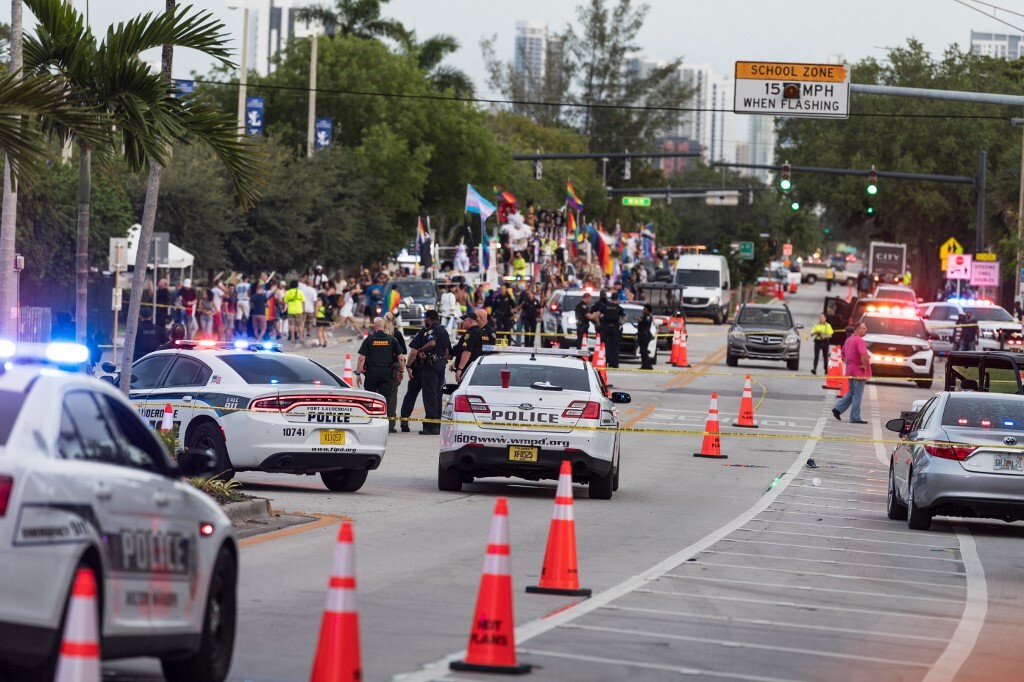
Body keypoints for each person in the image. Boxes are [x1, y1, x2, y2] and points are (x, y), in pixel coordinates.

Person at [408, 310, 450, 435]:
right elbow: (448, 351)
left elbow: (432, 343)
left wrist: (421, 349)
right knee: (437, 394)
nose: (424, 321)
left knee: (429, 395)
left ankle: (431, 426)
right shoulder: (444, 331)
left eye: (425, 318)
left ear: (429, 318)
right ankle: (437, 423)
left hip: (431, 365)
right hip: (441, 364)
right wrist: (443, 361)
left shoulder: (431, 331)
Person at [356, 317, 405, 420]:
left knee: (370, 398)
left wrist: (358, 374)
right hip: (387, 373)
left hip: (371, 373)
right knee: (384, 399)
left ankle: (369, 420)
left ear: (374, 326)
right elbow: (401, 358)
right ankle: (383, 422)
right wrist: (401, 371)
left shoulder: (369, 339)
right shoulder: (392, 340)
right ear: (384, 327)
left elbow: (361, 358)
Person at [832, 322, 870, 424]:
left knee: (851, 392)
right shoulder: (860, 341)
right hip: (858, 371)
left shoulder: (849, 339)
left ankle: (837, 409)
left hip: (850, 369)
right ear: (857, 329)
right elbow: (863, 354)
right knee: (857, 394)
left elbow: (843, 353)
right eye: (863, 328)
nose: (865, 329)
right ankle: (855, 417)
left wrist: (849, 362)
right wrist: (864, 365)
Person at [381, 312, 408, 432]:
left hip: (378, 369)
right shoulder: (396, 334)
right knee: (391, 397)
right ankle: (390, 425)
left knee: (379, 396)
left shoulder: (378, 334)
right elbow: (403, 352)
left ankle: (378, 423)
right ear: (394, 321)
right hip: (393, 369)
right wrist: (402, 370)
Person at [454, 311, 484, 385]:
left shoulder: (470, 334)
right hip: (480, 370)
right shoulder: (483, 333)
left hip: (468, 370)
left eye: (464, 320)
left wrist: (460, 369)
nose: (463, 322)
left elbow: (467, 352)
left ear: (470, 320)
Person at [597, 293, 625, 368]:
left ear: (611, 298)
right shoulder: (619, 308)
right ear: (617, 299)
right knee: (615, 347)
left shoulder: (605, 306)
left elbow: (597, 315)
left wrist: (599, 324)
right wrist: (620, 324)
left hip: (606, 328)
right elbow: (625, 319)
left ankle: (605, 362)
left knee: (605, 346)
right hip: (615, 329)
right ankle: (614, 364)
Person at [284, 280, 304, 344]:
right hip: (299, 310)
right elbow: (303, 302)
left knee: (291, 325)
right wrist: (303, 310)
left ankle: (293, 338)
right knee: (299, 325)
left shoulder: (287, 292)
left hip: (290, 311)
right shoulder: (300, 292)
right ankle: (301, 338)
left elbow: (285, 301)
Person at [638, 304, 655, 370]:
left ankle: (648, 365)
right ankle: (644, 365)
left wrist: (640, 320)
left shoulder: (648, 316)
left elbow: (647, 322)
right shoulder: (644, 316)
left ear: (648, 311)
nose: (643, 310)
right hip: (642, 335)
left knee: (644, 351)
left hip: (646, 336)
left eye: (644, 309)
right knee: (642, 351)